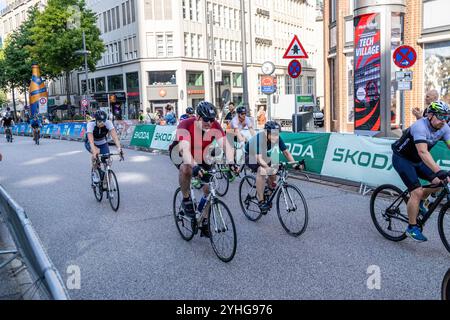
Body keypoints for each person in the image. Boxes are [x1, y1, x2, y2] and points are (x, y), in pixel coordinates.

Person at [169, 101, 237, 238]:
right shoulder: (185, 125)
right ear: (198, 117)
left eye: (212, 119)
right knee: (186, 168)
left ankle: (204, 220)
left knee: (208, 188)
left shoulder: (214, 125)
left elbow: (226, 146)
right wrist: (195, 166)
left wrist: (231, 163)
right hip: (181, 152)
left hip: (202, 153)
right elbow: (185, 151)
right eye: (206, 119)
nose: (209, 123)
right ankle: (186, 199)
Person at [391, 100, 450, 242]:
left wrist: (440, 174)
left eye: (446, 116)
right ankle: (411, 227)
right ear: (430, 115)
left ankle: (421, 202)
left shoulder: (445, 128)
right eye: (441, 116)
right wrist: (438, 170)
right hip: (402, 159)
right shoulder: (420, 127)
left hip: (417, 161)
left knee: (441, 182)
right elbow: (423, 152)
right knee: (416, 192)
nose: (444, 120)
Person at [244, 121, 303, 214]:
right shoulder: (260, 138)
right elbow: (258, 158)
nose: (276, 137)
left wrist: (294, 164)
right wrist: (267, 168)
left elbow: (286, 152)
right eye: (273, 135)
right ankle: (261, 201)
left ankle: (269, 190)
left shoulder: (277, 137)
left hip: (263, 154)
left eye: (277, 135)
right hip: (250, 154)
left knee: (274, 170)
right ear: (266, 133)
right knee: (262, 170)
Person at [85, 110, 123, 184]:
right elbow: (91, 141)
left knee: (108, 160)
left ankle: (106, 180)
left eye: (103, 121)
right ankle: (95, 172)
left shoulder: (108, 123)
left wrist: (119, 148)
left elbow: (115, 137)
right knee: (96, 152)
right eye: (99, 121)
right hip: (91, 142)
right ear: (96, 120)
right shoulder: (90, 124)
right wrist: (94, 151)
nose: (102, 123)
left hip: (102, 142)